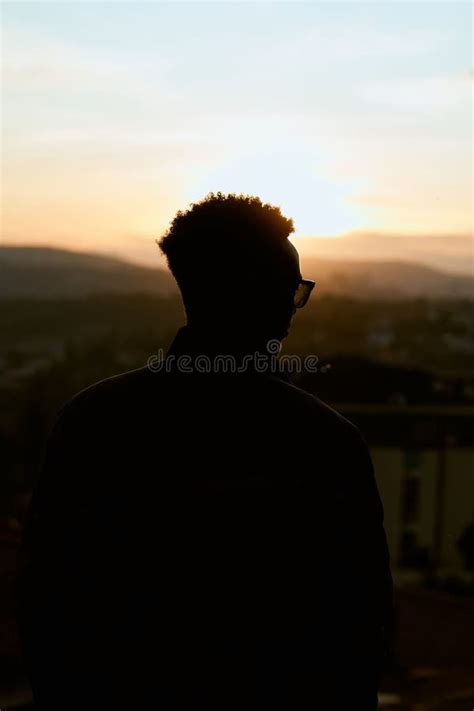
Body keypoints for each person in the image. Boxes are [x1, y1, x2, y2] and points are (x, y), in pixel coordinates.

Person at [17, 192, 393, 709]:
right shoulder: (324, 443)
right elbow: (357, 627)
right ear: (245, 289)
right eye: (290, 288)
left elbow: (49, 604)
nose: (293, 305)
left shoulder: (95, 424)